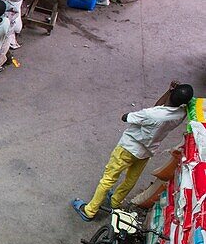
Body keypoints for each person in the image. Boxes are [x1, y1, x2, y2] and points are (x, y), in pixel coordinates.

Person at [73, 83, 195, 221]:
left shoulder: (151, 114)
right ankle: (114, 202)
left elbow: (126, 117)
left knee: (108, 179)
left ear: (172, 95)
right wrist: (170, 93)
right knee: (131, 179)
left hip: (128, 148)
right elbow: (159, 109)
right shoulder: (181, 114)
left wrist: (169, 91)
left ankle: (90, 210)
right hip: (146, 152)